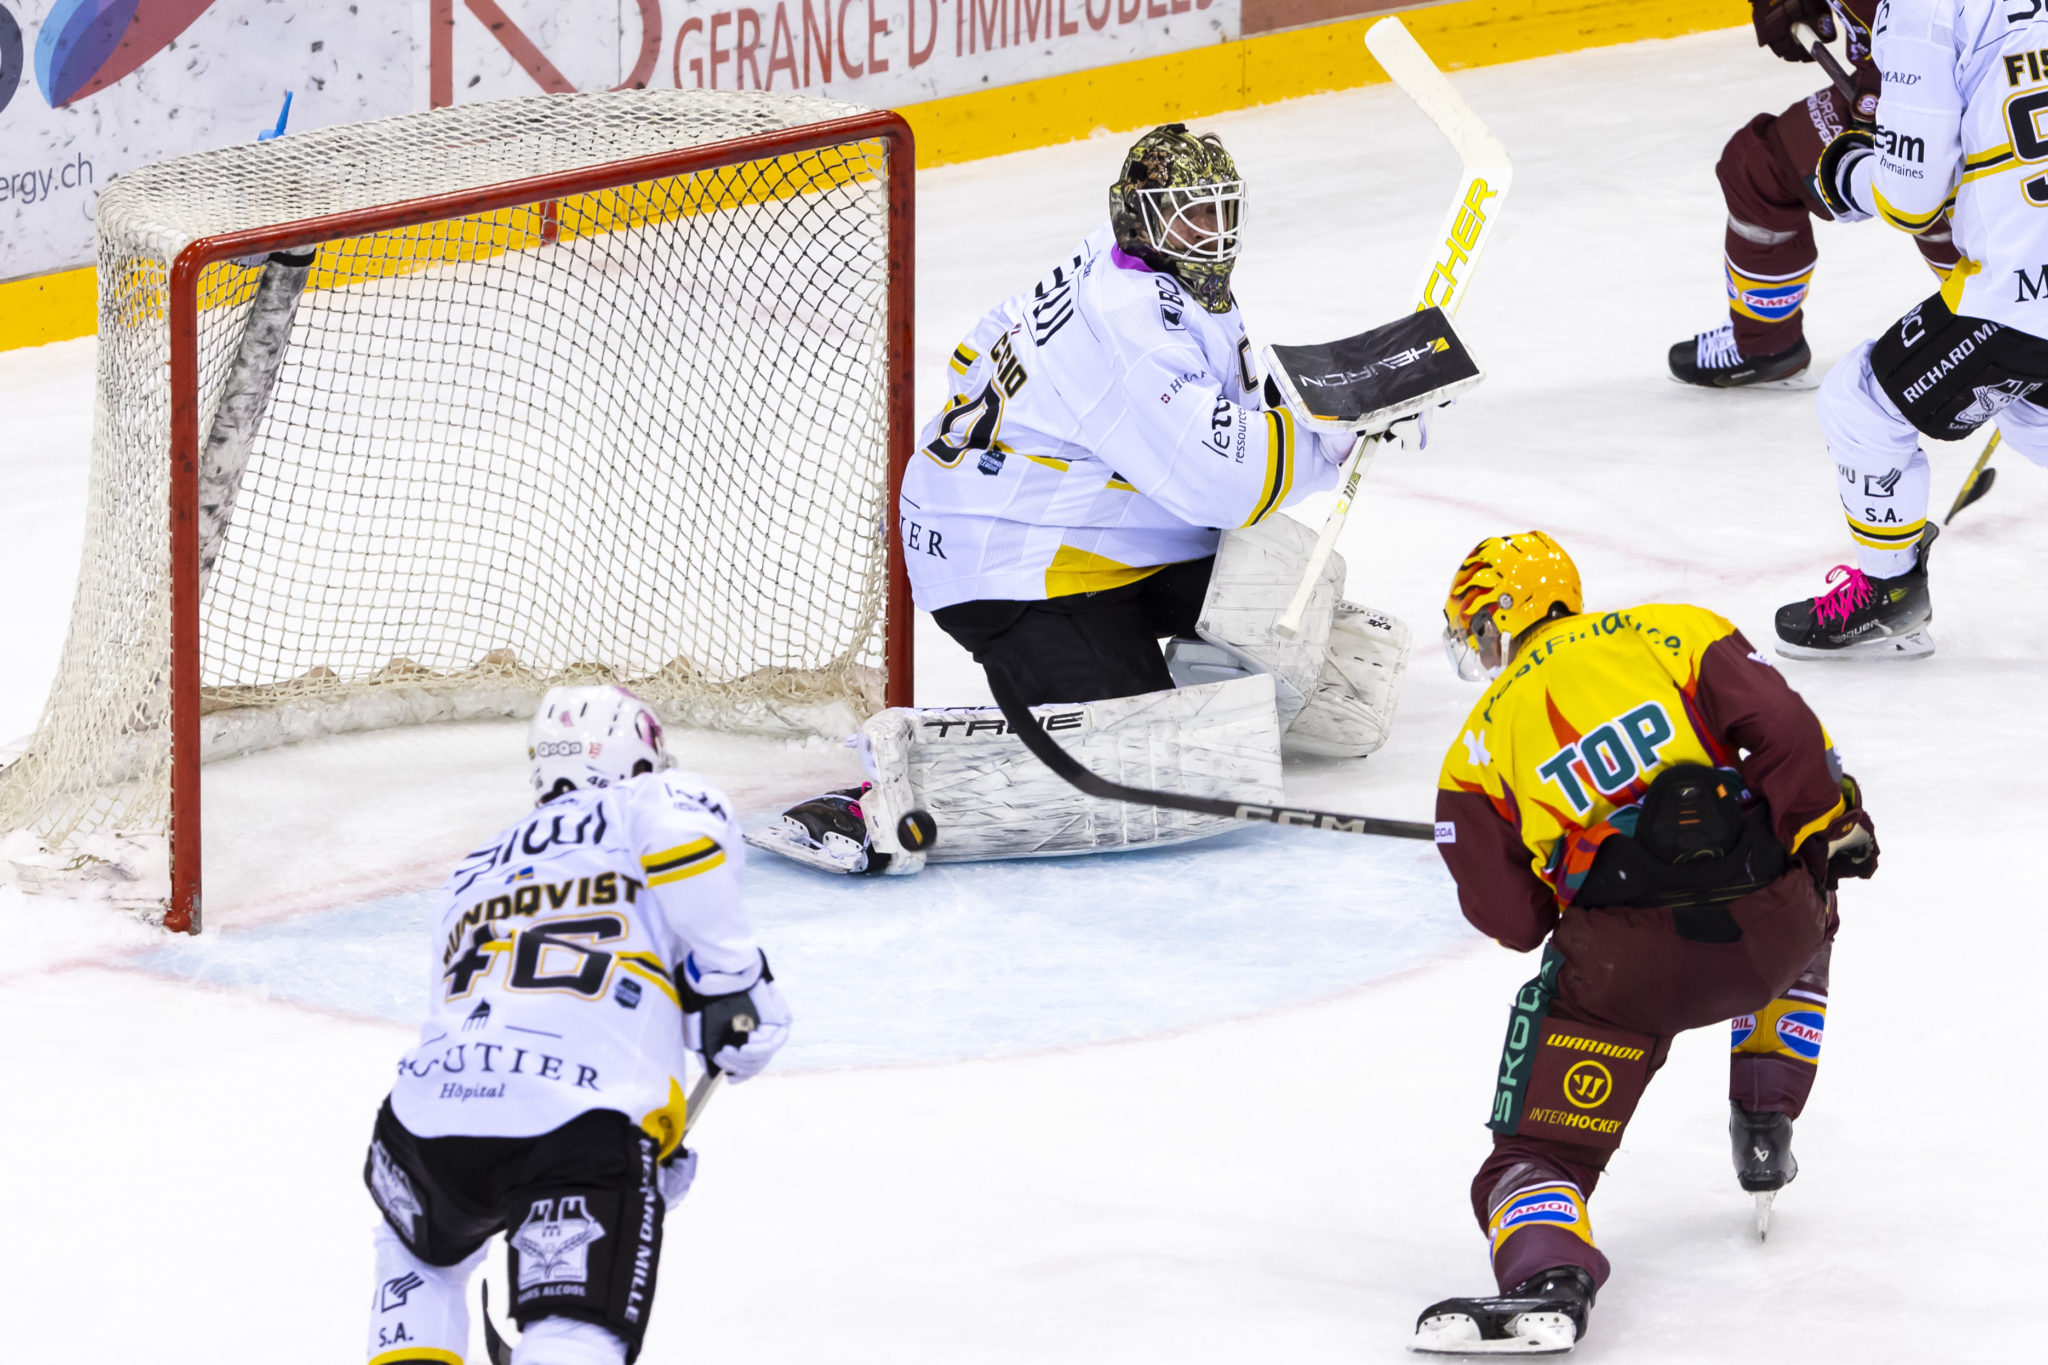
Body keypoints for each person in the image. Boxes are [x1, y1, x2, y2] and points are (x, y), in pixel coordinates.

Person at [762, 123, 1412, 876]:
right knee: (1155, 772)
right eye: (1189, 215)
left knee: (1278, 578)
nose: (1211, 231)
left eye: (1220, 209)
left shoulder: (1129, 262)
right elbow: (1226, 482)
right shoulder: (1128, 318)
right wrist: (1329, 442)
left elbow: (979, 348)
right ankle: (895, 796)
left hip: (1071, 526)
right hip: (1014, 566)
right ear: (1138, 216)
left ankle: (1162, 683)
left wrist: (1351, 398)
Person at [1410, 533, 1877, 1355]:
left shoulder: (1473, 750)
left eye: (1478, 632)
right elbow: (1787, 731)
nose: (1481, 653)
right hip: (1771, 928)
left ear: (1504, 617)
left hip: (1627, 974)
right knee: (1813, 881)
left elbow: (1513, 921)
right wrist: (1829, 824)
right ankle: (1765, 1110)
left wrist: (1550, 866)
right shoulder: (1675, 629)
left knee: (1535, 1152)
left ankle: (1549, 1273)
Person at [360, 685, 790, 1365]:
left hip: (424, 1121)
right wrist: (736, 980)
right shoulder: (649, 800)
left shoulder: (472, 868)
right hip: (574, 1122)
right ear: (639, 759)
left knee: (419, 1262)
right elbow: (681, 847)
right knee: (576, 1327)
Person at [1776, 0, 2048, 656]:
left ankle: (1888, 594)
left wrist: (1850, 171)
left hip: (2023, 293)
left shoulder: (1924, 9)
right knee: (2031, 415)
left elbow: (1912, 197)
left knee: (1859, 405)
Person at [1669, 0, 1960, 388]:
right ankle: (1765, 345)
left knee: (1943, 201)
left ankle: (2007, 326)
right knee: (1761, 167)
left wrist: (1895, 85)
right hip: (1922, 80)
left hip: (1959, 90)